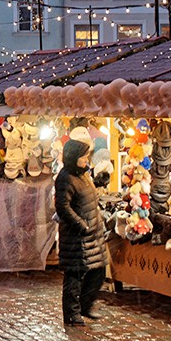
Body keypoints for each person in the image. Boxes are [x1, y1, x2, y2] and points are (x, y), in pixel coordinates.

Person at [54, 138, 108, 326]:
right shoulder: (65, 177)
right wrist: (80, 224)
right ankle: (72, 314)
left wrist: (99, 183)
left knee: (98, 271)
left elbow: (88, 197)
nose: (87, 159)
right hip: (76, 236)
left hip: (93, 233)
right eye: (83, 156)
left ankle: (85, 305)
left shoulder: (83, 175)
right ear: (74, 157)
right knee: (74, 276)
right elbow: (62, 206)